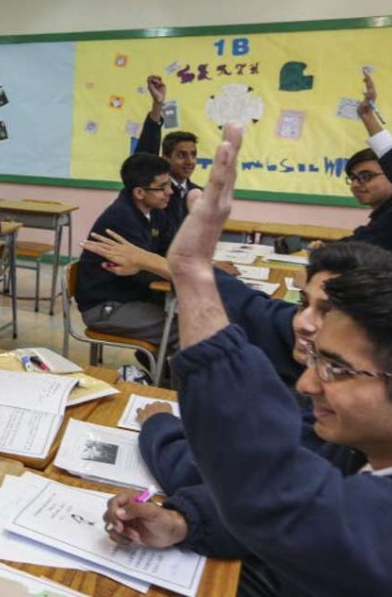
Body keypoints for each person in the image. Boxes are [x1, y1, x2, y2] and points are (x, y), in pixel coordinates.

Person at [103, 122, 392, 596]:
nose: (307, 383)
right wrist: (184, 521)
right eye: (304, 304)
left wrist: (192, 272)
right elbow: (292, 507)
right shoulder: (352, 441)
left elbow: (273, 492)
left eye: (336, 368)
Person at [137, 241, 392, 495]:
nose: (300, 322)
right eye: (303, 303)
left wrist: (160, 426)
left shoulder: (338, 429)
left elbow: (232, 481)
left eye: (328, 311)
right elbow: (253, 307)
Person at [75, 153, 177, 347]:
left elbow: (172, 250)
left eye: (169, 184)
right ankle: (161, 366)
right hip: (106, 306)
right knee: (185, 328)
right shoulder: (121, 218)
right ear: (139, 192)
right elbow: (144, 271)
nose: (170, 191)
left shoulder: (156, 213)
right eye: (162, 187)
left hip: (134, 296)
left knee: (191, 317)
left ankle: (159, 364)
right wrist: (176, 269)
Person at [134, 74, 202, 229]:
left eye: (193, 155)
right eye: (181, 155)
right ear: (165, 159)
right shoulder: (154, 191)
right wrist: (158, 104)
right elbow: (145, 154)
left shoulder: (197, 193)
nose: (190, 161)